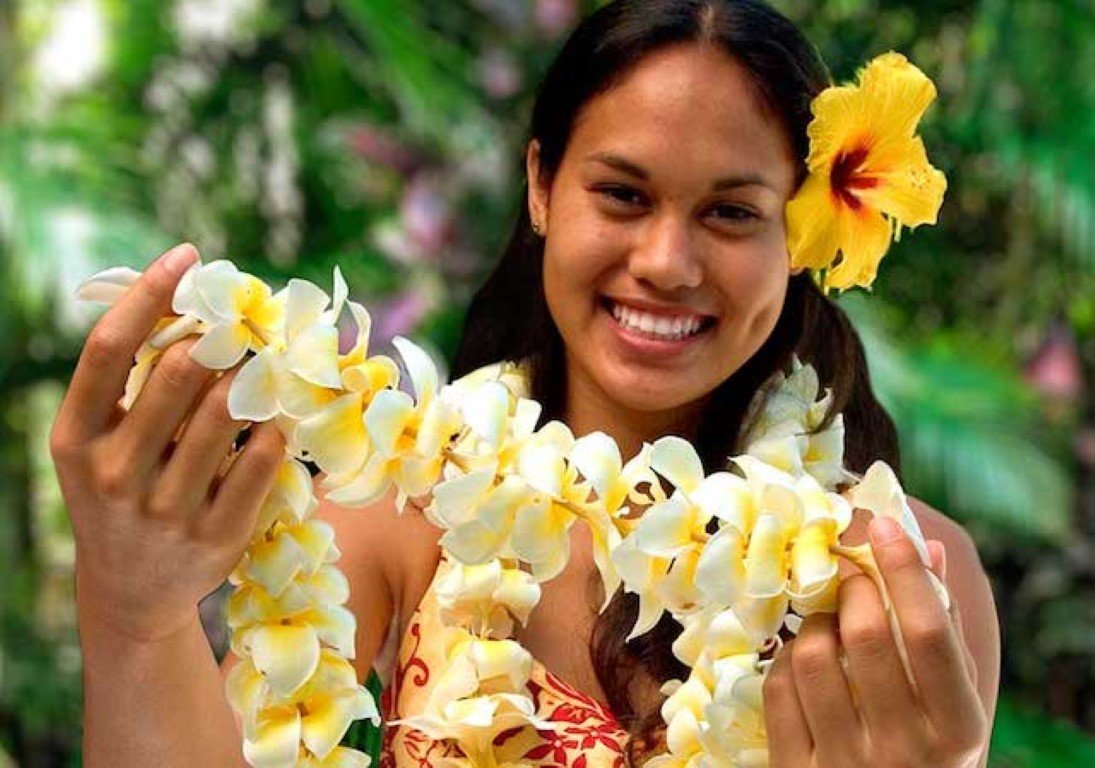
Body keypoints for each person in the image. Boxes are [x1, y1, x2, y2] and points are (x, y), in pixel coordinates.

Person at [50, 0, 999, 766]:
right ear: (542, 186)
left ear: (799, 234)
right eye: (622, 195)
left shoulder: (895, 584)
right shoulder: (401, 508)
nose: (666, 261)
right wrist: (135, 615)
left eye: (730, 212)